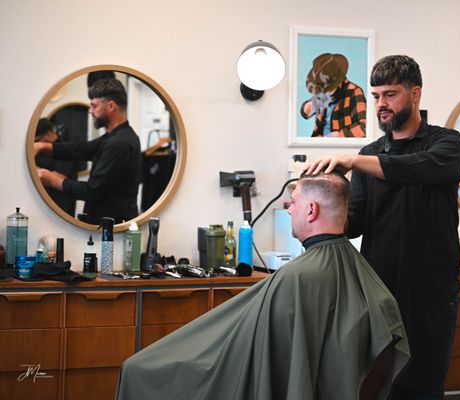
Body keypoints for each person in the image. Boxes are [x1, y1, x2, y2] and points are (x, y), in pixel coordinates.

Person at [116, 171, 409, 400]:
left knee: (139, 368)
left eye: (293, 203)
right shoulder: (362, 272)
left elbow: (244, 354)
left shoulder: (296, 277)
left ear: (311, 210)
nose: (289, 209)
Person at [305, 55, 460, 399]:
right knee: (376, 390)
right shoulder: (370, 152)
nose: (380, 104)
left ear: (416, 93)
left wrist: (354, 160)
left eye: (390, 94)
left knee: (421, 390)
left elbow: (415, 168)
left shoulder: (446, 144)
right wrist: (315, 210)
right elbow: (355, 221)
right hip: (379, 298)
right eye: (376, 95)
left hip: (431, 298)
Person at [35, 78, 141, 224]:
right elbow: (80, 149)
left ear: (111, 106)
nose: (90, 111)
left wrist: (53, 180)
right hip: (104, 223)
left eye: (94, 106)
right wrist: (42, 146)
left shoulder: (120, 143)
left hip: (112, 228)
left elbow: (91, 191)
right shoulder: (113, 137)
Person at [301, 53, 367, 137]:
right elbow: (304, 113)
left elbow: (363, 128)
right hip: (318, 145)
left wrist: (335, 137)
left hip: (341, 146)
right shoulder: (323, 94)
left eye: (330, 88)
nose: (326, 92)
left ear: (338, 82)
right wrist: (311, 105)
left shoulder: (354, 91)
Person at [34, 118, 79, 216]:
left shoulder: (66, 150)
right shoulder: (37, 153)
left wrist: (40, 172)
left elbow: (63, 178)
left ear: (50, 133)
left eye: (39, 141)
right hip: (39, 205)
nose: (37, 145)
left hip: (61, 206)